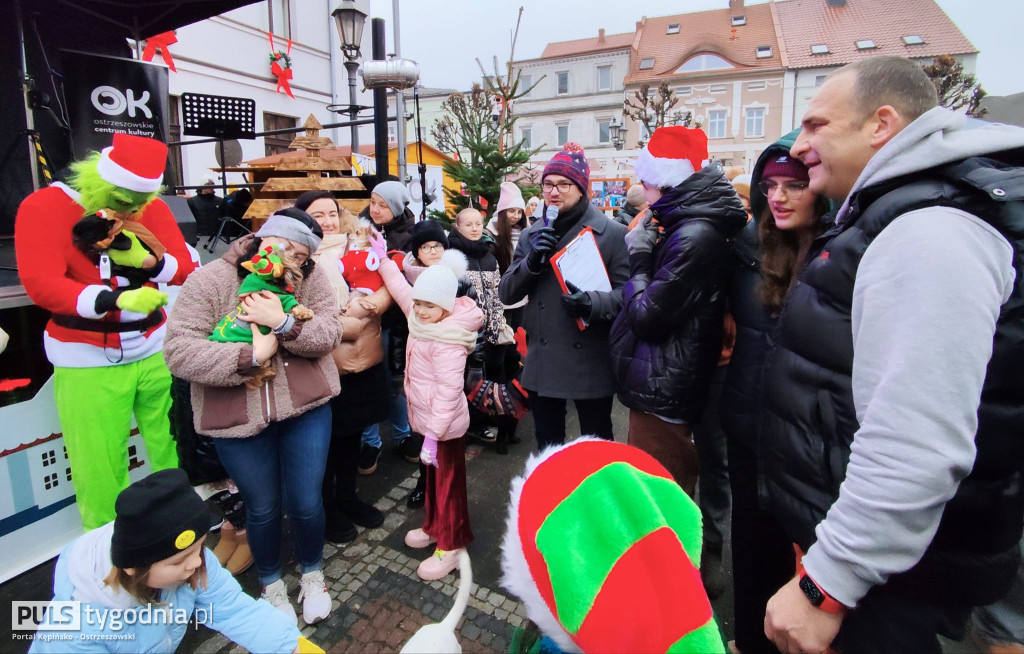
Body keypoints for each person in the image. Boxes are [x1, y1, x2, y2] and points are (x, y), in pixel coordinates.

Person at [759, 56, 1024, 653]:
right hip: (884, 566)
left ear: (881, 124)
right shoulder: (905, 212)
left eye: (815, 126)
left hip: (886, 585)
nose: (798, 148)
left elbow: (916, 444)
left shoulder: (930, 228)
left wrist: (828, 585)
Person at [164, 209, 339, 626]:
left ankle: (313, 574)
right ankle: (271, 583)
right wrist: (250, 355)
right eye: (282, 246)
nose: (288, 258)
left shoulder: (311, 280)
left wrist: (281, 324)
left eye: (300, 254)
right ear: (262, 239)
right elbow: (179, 350)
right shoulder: (209, 280)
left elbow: (329, 333)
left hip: (306, 407)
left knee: (306, 500)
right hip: (237, 417)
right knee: (260, 507)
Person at [14, 133, 196, 531]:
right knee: (98, 464)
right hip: (86, 358)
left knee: (174, 446)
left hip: (154, 350)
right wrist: (110, 301)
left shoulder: (150, 206)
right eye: (123, 198)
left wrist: (147, 262)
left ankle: (180, 527)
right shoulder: (44, 206)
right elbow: (41, 283)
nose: (131, 209)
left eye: (139, 201)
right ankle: (109, 551)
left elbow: (183, 265)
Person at [720, 130, 831, 654]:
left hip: (810, 440)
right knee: (751, 545)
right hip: (746, 424)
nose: (779, 196)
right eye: (769, 185)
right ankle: (747, 639)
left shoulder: (841, 254)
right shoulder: (746, 246)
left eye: (794, 184)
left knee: (808, 558)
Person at [29, 469, 317, 654]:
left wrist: (292, 648)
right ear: (133, 567)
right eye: (179, 560)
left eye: (202, 546)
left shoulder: (193, 562)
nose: (196, 563)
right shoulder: (74, 633)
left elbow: (235, 611)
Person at [608, 126, 746, 497]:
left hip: (665, 385)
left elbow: (648, 317)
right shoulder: (687, 227)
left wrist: (638, 258)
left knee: (658, 503)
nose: (643, 189)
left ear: (663, 182)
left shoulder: (693, 234)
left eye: (646, 182)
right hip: (664, 378)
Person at [499, 143, 629, 449]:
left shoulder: (613, 234)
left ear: (581, 188)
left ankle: (597, 499)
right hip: (544, 361)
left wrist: (592, 303)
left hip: (591, 360)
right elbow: (506, 292)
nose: (554, 192)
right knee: (548, 450)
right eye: (548, 184)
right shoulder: (532, 235)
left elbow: (628, 296)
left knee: (597, 450)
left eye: (563, 184)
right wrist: (531, 263)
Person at [377, 238, 484, 580]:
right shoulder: (423, 317)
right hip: (427, 424)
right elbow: (400, 290)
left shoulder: (449, 340)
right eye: (419, 303)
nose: (419, 310)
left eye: (428, 305)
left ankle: (452, 545)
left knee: (449, 486)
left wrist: (432, 437)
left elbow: (450, 393)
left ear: (446, 307)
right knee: (434, 481)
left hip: (445, 428)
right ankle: (434, 525)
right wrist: (383, 260)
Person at [295, 190, 387, 543]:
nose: (328, 222)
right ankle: (326, 504)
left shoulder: (359, 243)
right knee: (323, 441)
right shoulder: (297, 255)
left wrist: (369, 306)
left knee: (350, 434)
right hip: (323, 363)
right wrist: (346, 325)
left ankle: (347, 497)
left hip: (363, 359)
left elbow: (386, 282)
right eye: (318, 215)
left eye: (332, 213)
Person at [360, 181, 417, 474]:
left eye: (383, 204)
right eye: (373, 202)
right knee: (367, 380)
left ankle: (402, 434)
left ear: (395, 207)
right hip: (361, 320)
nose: (375, 209)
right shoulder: (359, 231)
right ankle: (370, 441)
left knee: (395, 382)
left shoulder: (409, 236)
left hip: (394, 321)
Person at [489, 182, 531, 331]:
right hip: (500, 297)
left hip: (521, 296)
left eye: (519, 212)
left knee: (518, 341)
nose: (516, 216)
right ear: (502, 210)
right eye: (512, 211)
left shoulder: (525, 232)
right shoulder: (491, 233)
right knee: (502, 342)